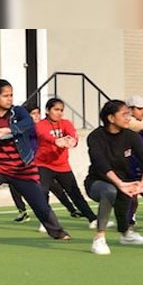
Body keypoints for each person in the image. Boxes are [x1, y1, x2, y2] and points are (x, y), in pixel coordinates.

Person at [0, 79, 71, 249]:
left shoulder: (18, 112)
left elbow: (28, 123)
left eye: (11, 95)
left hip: (21, 167)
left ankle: (57, 231)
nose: (10, 99)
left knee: (38, 202)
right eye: (5, 96)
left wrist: (7, 130)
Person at [84, 100, 143, 255]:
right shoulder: (96, 136)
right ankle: (99, 238)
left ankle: (126, 234)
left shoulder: (131, 136)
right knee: (110, 191)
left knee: (126, 193)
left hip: (122, 181)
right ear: (111, 118)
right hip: (97, 182)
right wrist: (119, 183)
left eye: (129, 114)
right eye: (124, 114)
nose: (129, 118)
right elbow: (100, 163)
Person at [11, 103, 81, 223]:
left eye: (38, 113)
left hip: (40, 162)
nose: (37, 116)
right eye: (33, 113)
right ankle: (22, 211)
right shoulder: (25, 129)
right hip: (28, 162)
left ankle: (71, 209)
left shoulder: (41, 126)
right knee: (14, 184)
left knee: (54, 187)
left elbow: (48, 138)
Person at [34, 98, 99, 228]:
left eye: (61, 110)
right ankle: (46, 220)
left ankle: (92, 219)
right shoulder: (40, 125)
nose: (59, 113)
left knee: (74, 192)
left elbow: (72, 136)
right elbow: (44, 135)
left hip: (62, 165)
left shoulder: (66, 123)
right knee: (43, 192)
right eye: (56, 109)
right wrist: (56, 141)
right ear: (47, 110)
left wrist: (72, 141)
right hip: (43, 164)